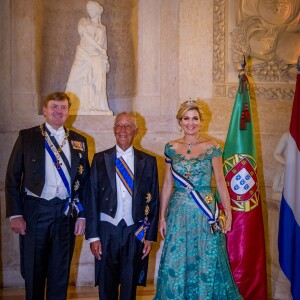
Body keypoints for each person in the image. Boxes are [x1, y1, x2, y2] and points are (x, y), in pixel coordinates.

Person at [5, 92, 90, 300]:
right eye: (54, 107)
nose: (58, 111)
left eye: (63, 107)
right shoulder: (28, 136)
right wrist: (15, 214)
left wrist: (82, 215)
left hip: (65, 213)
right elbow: (13, 177)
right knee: (33, 270)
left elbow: (85, 182)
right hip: (35, 211)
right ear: (44, 110)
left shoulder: (79, 141)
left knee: (60, 272)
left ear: (68, 112)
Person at [154, 100, 242, 299]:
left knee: (207, 258)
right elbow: (168, 183)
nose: (190, 123)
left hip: (205, 212)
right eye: (186, 118)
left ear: (201, 121)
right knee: (177, 259)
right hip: (178, 213)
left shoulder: (212, 147)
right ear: (180, 121)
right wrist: (162, 217)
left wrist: (228, 212)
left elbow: (220, 180)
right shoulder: (171, 147)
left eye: (195, 118)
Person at [85, 112, 159, 300]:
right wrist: (93, 236)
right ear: (113, 130)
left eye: (128, 126)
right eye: (119, 125)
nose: (123, 130)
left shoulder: (148, 161)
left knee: (130, 283)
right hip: (107, 230)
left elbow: (154, 200)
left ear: (136, 130)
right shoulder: (100, 159)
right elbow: (91, 197)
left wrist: (149, 237)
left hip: (135, 231)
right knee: (106, 283)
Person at [65, 1, 112, 114]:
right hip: (83, 55)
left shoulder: (102, 27)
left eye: (91, 9)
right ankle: (75, 106)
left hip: (97, 57)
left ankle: (96, 106)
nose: (89, 11)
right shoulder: (83, 22)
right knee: (75, 78)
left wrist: (105, 60)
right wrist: (99, 49)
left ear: (97, 10)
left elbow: (104, 45)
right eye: (88, 9)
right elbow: (86, 36)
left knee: (96, 83)